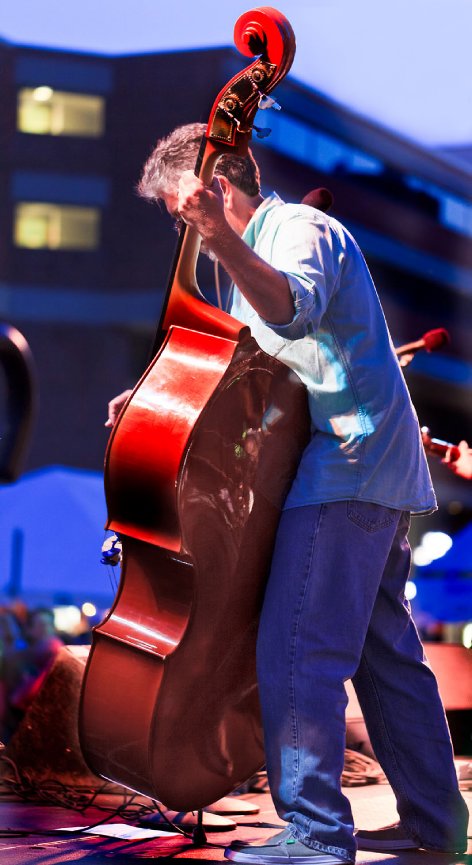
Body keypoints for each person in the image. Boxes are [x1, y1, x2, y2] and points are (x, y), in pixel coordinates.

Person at [109, 123, 468, 864]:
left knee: (299, 648)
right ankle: (438, 822)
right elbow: (251, 383)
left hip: (344, 468)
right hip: (367, 469)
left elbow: (291, 309)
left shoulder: (299, 230)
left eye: (184, 214)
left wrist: (220, 234)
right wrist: (156, 396)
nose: (188, 234)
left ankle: (316, 832)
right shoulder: (261, 255)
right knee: (386, 661)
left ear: (216, 190)